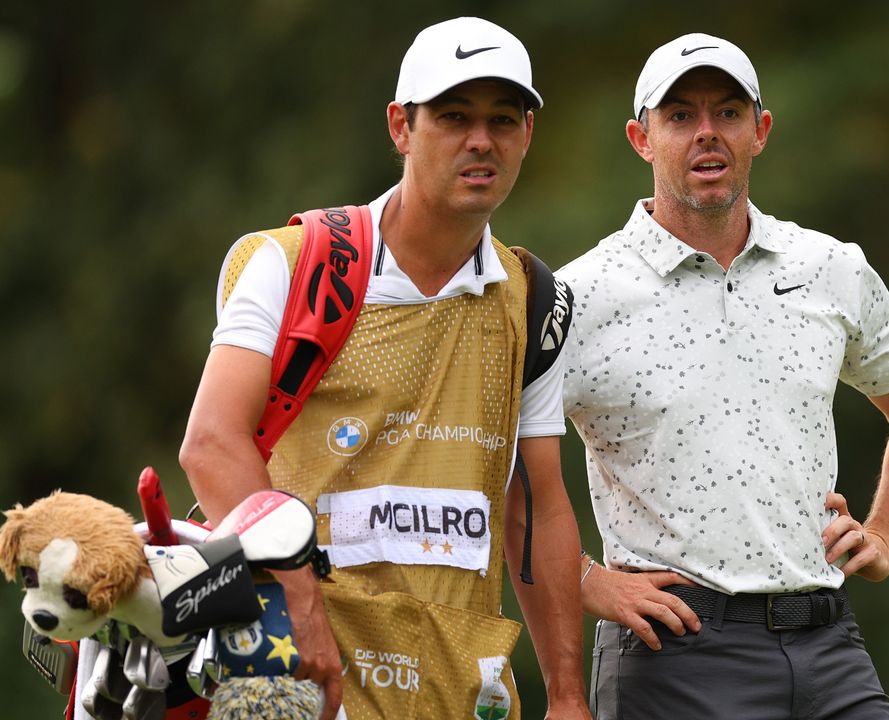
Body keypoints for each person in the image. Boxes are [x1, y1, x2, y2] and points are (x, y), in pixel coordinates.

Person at [179, 17, 589, 720]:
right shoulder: (294, 263)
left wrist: (568, 696)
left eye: (503, 119)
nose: (481, 140)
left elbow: (536, 506)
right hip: (304, 673)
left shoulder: (534, 299)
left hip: (464, 686)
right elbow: (213, 443)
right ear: (401, 126)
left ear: (527, 134)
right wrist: (296, 594)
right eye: (454, 117)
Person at [559, 33, 889, 718]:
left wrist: (887, 536)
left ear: (760, 131)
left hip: (828, 644)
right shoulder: (581, 296)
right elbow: (492, 457)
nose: (707, 134)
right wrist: (582, 581)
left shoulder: (828, 268)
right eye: (680, 116)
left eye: (728, 113)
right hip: (674, 652)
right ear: (641, 138)